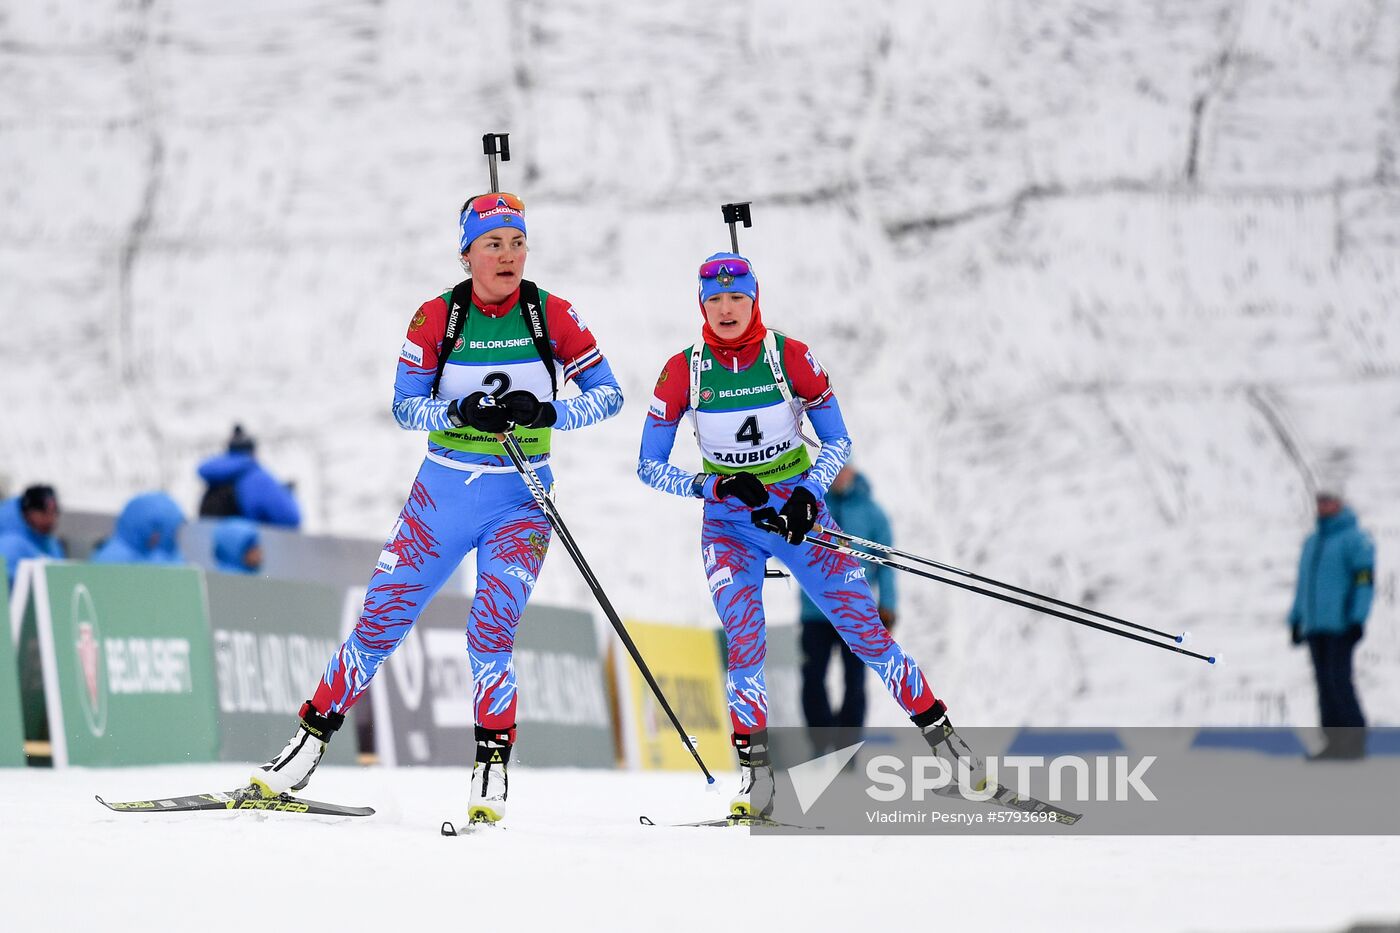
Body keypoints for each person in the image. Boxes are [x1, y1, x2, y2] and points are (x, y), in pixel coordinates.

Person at [248, 191, 623, 824]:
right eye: (493, 244)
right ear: (467, 253)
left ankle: (491, 769)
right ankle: (308, 742)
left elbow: (610, 396)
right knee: (381, 620)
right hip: (443, 494)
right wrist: (456, 410)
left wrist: (551, 410)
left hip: (522, 496)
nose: (508, 256)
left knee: (491, 629)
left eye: (517, 243)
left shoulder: (552, 315)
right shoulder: (436, 318)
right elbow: (403, 406)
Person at [637, 251, 979, 819]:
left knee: (867, 636)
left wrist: (809, 492)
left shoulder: (789, 357)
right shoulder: (683, 371)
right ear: (701, 305)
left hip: (802, 515)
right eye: (715, 300)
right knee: (744, 644)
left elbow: (838, 441)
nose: (726, 310)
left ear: (754, 300)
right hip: (730, 527)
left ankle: (950, 747)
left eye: (737, 299)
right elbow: (649, 465)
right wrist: (713, 486)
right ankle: (757, 781)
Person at [798, 464, 897, 756]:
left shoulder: (872, 512)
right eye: (834, 472)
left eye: (844, 471)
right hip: (814, 611)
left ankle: (848, 746)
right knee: (813, 676)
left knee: (854, 680)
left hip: (857, 611)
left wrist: (888, 606)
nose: (839, 477)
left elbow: (887, 564)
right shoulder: (810, 506)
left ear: (852, 472)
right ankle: (820, 742)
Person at [1288, 487, 1376, 760]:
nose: (1323, 506)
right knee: (1324, 684)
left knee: (1339, 682)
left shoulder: (1355, 540)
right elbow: (1304, 585)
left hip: (1341, 625)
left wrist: (1357, 619)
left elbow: (1364, 581)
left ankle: (1353, 742)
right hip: (1316, 626)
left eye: (1328, 501)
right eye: (1320, 502)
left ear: (1340, 503)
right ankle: (1334, 743)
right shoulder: (1312, 542)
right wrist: (1296, 619)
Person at [196, 425, 302, 529]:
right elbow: (290, 518)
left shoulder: (216, 475)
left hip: (209, 540)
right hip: (244, 542)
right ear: (252, 451)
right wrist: (286, 494)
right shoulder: (257, 477)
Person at [90, 491, 186, 565]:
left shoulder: (172, 556)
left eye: (163, 532)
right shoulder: (111, 559)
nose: (155, 537)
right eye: (153, 530)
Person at [0, 485, 66, 584]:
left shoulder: (51, 544)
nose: (50, 519)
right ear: (28, 512)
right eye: (44, 513)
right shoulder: (9, 545)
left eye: (54, 513)